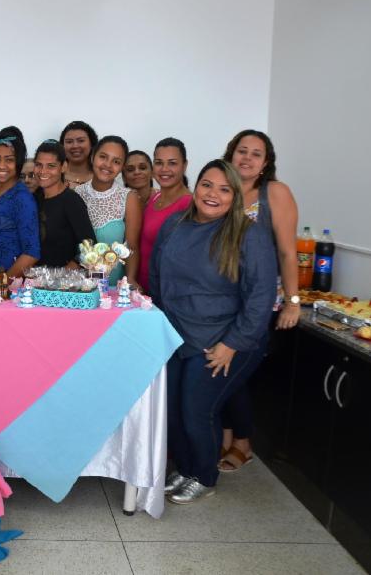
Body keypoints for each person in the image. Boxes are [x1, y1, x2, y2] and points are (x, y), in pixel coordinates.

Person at [149, 159, 276, 504]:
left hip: (225, 339)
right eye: (207, 185)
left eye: (224, 189)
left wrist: (231, 344)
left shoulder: (251, 234)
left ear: (234, 196)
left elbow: (260, 298)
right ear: (196, 187)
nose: (213, 194)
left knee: (196, 409)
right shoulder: (175, 224)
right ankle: (187, 469)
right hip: (177, 335)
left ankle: (204, 476)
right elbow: (158, 277)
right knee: (173, 411)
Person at [218, 129, 300, 472]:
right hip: (223, 298)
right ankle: (224, 439)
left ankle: (242, 443)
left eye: (256, 153)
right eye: (242, 151)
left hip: (260, 300)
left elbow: (286, 250)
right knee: (218, 369)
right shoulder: (223, 189)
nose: (247, 158)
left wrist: (293, 301)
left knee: (234, 373)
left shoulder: (275, 193)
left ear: (266, 163)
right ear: (231, 154)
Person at [75, 135, 141, 283]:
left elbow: (132, 246)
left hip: (113, 286)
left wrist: (130, 279)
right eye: (103, 157)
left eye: (116, 161)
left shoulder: (128, 198)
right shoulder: (76, 194)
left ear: (122, 167)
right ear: (93, 157)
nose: (108, 165)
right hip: (80, 284)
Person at [0, 134, 39, 278]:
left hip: (12, 281)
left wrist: (4, 282)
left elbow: (31, 253)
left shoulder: (21, 197)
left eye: (9, 160)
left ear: (18, 163)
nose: (1, 166)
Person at [137, 139, 192, 291]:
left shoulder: (188, 204)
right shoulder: (154, 197)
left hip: (163, 292)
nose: (164, 169)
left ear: (184, 166)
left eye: (172, 163)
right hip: (141, 289)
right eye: (159, 163)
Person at [32, 141, 95, 268]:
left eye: (51, 166)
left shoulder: (71, 200)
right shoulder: (34, 199)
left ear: (63, 167)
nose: (43, 171)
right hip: (32, 281)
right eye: (38, 165)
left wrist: (61, 278)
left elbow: (89, 246)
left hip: (62, 284)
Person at [60, 120, 98, 188]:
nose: (75, 146)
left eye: (81, 141)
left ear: (91, 144)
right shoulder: (54, 176)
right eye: (69, 142)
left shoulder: (102, 177)